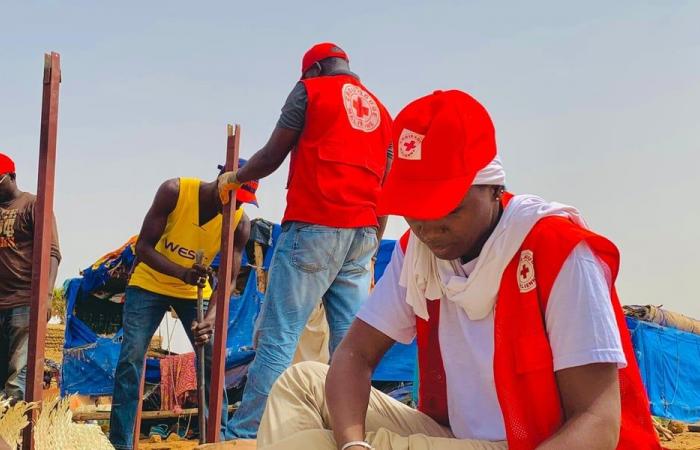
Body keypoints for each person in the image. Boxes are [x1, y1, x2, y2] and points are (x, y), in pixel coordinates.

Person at [255, 90, 661, 450]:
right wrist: (353, 445)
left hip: (531, 443)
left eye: (446, 208)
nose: (428, 227)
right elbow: (355, 354)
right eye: (414, 210)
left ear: (494, 188)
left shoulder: (558, 253)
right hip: (451, 435)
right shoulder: (418, 253)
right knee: (302, 383)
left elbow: (598, 423)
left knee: (313, 444)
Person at [220, 42, 393, 438]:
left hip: (314, 225)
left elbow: (273, 153)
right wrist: (368, 251)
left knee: (279, 338)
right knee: (351, 351)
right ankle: (345, 434)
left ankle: (245, 434)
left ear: (313, 69)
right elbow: (385, 186)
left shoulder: (311, 91)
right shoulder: (383, 113)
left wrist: (234, 178)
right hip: (363, 234)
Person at [108, 162, 257, 449]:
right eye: (234, 197)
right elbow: (144, 249)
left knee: (211, 359)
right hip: (149, 282)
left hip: (192, 290)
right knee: (131, 358)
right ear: (221, 180)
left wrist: (211, 318)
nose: (236, 206)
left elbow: (227, 278)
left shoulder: (240, 223)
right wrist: (182, 272)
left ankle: (217, 439)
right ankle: (121, 443)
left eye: (243, 201)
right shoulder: (174, 192)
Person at [0, 153, 61, 402]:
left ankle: (14, 435)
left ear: (11, 177)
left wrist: (45, 297)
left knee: (18, 376)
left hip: (24, 301)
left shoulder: (33, 205)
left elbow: (52, 254)